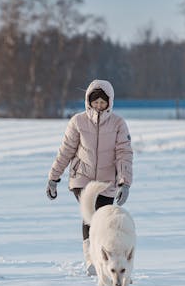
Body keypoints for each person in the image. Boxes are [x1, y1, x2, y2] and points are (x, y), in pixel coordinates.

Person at [46, 79, 133, 275]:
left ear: (109, 102)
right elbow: (66, 151)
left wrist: (124, 183)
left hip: (107, 181)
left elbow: (124, 153)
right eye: (95, 102)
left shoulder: (118, 123)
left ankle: (105, 257)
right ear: (88, 101)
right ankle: (90, 259)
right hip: (82, 178)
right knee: (91, 214)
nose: (99, 106)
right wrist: (53, 178)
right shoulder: (78, 122)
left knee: (103, 220)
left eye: (103, 102)